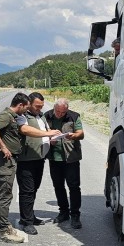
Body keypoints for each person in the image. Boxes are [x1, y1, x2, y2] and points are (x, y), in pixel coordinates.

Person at [0, 92, 61, 243]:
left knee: (2, 193)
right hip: (8, 160)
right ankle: (4, 230)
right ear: (21, 105)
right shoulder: (8, 115)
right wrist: (3, 147)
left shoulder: (20, 115)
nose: (28, 110)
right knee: (5, 195)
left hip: (21, 159)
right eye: (28, 107)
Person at [45, 98, 84, 229]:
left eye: (63, 112)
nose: (60, 114)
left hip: (71, 158)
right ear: (54, 108)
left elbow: (81, 133)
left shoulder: (74, 116)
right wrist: (49, 138)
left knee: (74, 187)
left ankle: (75, 215)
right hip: (54, 158)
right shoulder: (47, 116)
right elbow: (41, 133)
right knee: (58, 186)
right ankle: (63, 212)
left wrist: (73, 136)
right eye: (58, 111)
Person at [15, 92, 51, 235]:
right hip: (26, 159)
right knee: (27, 191)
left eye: (41, 106)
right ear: (29, 104)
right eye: (37, 106)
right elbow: (25, 130)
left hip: (39, 158)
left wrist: (52, 137)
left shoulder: (41, 116)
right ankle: (26, 222)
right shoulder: (22, 116)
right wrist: (48, 134)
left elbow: (44, 131)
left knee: (34, 189)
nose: (39, 109)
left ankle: (30, 216)